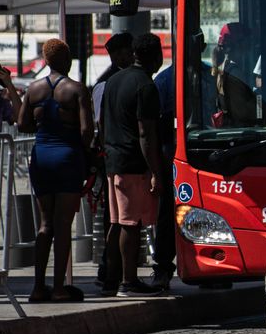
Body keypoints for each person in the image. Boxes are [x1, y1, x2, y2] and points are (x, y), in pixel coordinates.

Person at [17, 39, 93, 303]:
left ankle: (38, 287)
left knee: (45, 224)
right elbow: (86, 131)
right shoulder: (76, 89)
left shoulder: (33, 89)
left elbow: (22, 124)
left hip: (42, 157)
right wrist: (89, 153)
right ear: (67, 60)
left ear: (46, 60)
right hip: (67, 157)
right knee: (63, 226)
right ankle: (59, 288)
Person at [100, 33, 165, 297]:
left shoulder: (113, 80)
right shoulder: (146, 85)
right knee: (131, 223)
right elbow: (145, 133)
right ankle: (128, 282)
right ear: (156, 56)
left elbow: (103, 123)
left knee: (117, 222)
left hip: (113, 161)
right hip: (133, 164)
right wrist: (156, 172)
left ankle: (110, 279)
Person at [91, 32, 134, 289]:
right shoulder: (105, 84)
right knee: (114, 217)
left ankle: (112, 269)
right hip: (112, 158)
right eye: (127, 51)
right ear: (117, 55)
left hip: (113, 155)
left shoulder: (118, 80)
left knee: (118, 217)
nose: (131, 56)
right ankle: (108, 269)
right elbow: (101, 124)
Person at [152, 60, 176, 290]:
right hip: (170, 150)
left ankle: (163, 266)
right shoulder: (164, 80)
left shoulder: (163, 79)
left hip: (177, 149)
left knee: (168, 211)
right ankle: (163, 266)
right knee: (167, 211)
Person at [212, 22, 257, 126]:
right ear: (238, 45)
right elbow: (242, 112)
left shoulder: (223, 67)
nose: (251, 47)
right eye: (247, 43)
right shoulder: (234, 73)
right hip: (241, 129)